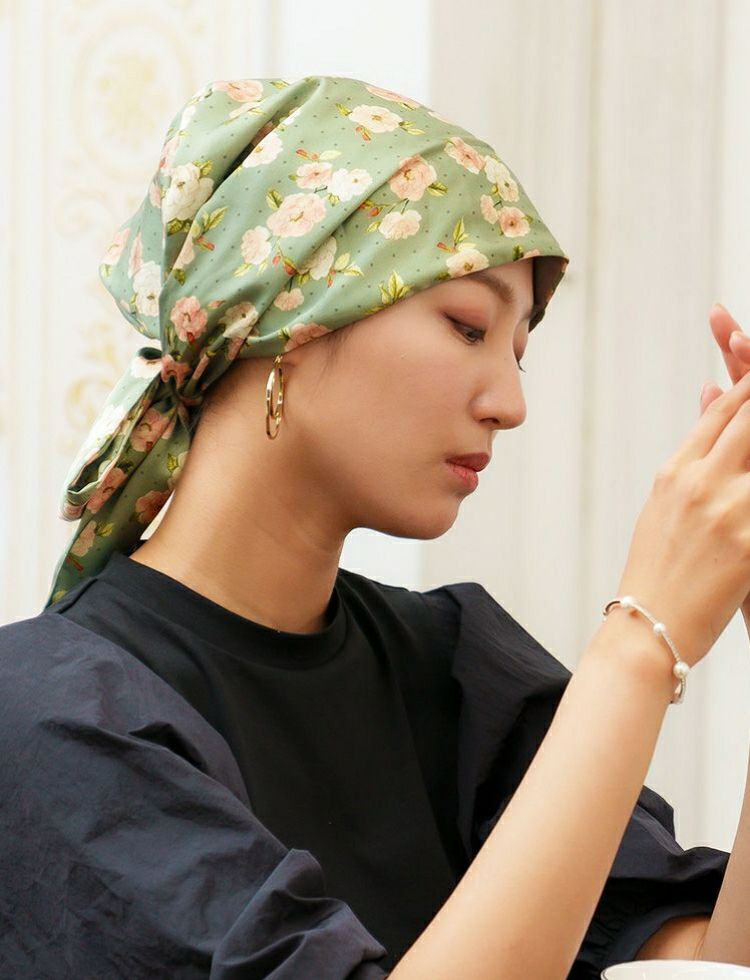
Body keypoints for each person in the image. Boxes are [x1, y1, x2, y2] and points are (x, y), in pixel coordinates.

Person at [0, 74, 737, 978]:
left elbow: (702, 960)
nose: (510, 404)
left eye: (520, 352)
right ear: (292, 316)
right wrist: (642, 640)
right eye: (468, 327)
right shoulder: (48, 715)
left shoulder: (457, 670)